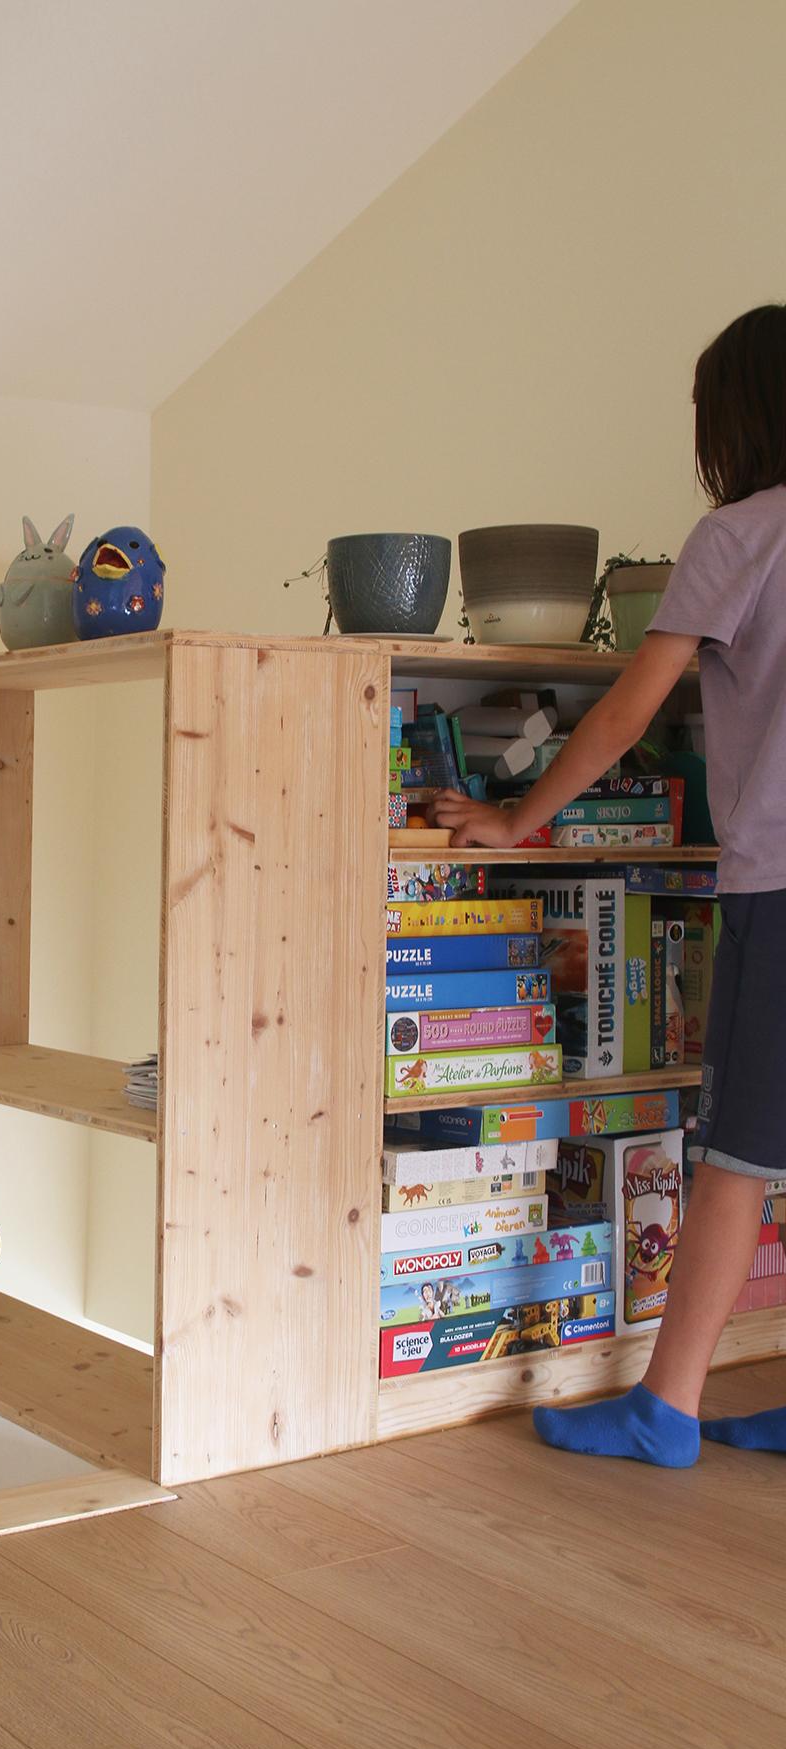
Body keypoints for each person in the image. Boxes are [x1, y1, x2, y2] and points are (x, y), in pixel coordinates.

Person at [429, 302, 786, 1467]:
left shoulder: (739, 534)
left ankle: (664, 1407)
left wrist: (518, 820)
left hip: (780, 887)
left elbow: (634, 699)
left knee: (738, 1145)